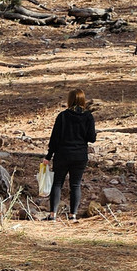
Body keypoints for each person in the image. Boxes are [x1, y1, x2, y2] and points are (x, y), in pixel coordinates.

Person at [44, 89, 96, 221]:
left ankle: (52, 214)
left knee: (57, 183)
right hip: (79, 156)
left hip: (62, 154)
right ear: (83, 100)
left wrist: (48, 156)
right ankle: (73, 215)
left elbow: (54, 138)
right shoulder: (88, 116)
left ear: (70, 100)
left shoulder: (62, 116)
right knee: (75, 184)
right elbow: (92, 138)